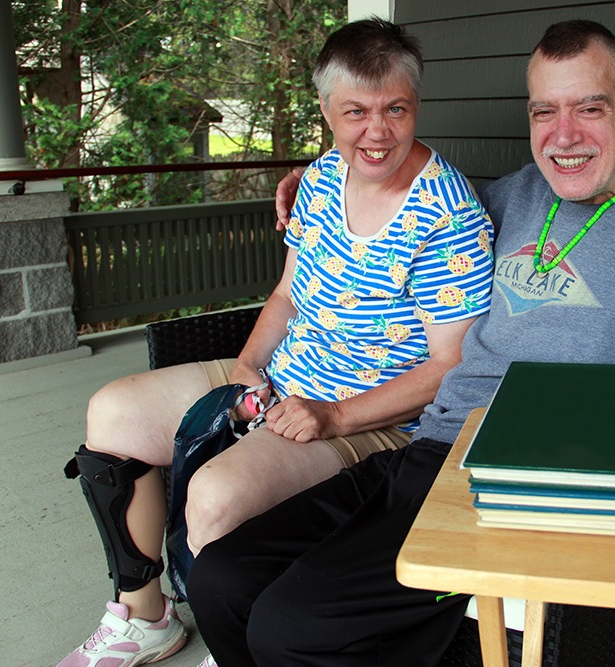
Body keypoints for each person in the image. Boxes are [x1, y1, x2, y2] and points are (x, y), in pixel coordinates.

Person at [187, 19, 615, 667]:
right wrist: (324, 178)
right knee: (222, 579)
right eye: (545, 111)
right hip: (427, 451)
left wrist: (581, 417)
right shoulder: (514, 197)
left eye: (588, 108)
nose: (563, 135)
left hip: (518, 490)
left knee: (291, 624)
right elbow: (414, 207)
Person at [57, 18, 494, 667]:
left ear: (415, 103)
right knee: (111, 412)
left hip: (371, 417)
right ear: (326, 111)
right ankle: (146, 615)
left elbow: (449, 365)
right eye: (356, 112)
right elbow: (288, 294)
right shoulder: (318, 180)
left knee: (215, 493)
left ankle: (229, 637)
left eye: (395, 109)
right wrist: (244, 367)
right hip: (285, 378)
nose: (377, 131)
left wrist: (333, 415)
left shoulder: (446, 212)